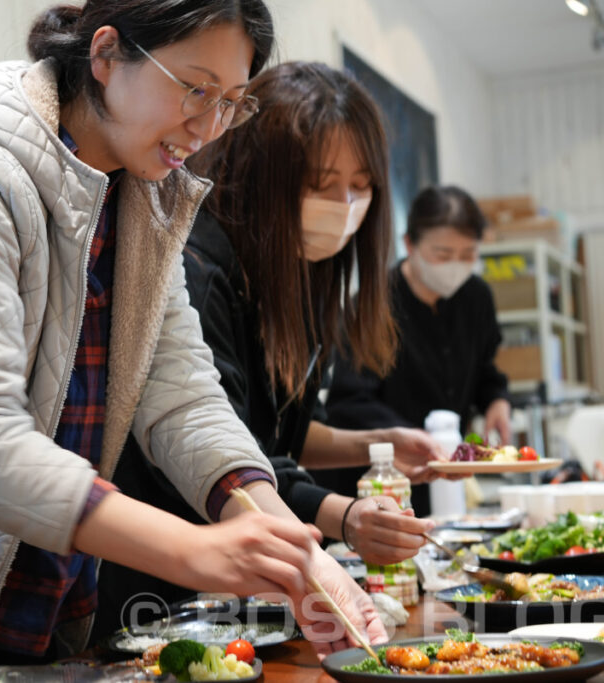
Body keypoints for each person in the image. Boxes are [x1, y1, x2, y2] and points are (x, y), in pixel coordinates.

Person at [0, 2, 386, 679]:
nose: (209, 124)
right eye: (195, 88)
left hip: (41, 605)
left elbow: (184, 399)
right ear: (105, 56)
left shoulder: (142, 197)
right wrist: (194, 550)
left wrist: (293, 550)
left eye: (231, 103)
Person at [92, 63, 440, 638]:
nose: (346, 204)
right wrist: (338, 522)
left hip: (234, 559)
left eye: (361, 185)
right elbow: (216, 443)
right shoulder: (198, 269)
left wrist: (376, 447)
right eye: (322, 183)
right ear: (260, 173)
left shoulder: (303, 275)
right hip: (159, 583)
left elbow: (275, 433)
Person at [324, 184, 511, 516]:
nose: (456, 265)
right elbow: (349, 402)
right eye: (443, 255)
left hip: (446, 476)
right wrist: (408, 439)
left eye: (468, 255)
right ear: (409, 244)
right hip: (380, 483)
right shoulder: (371, 306)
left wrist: (496, 399)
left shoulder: (477, 298)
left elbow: (483, 369)